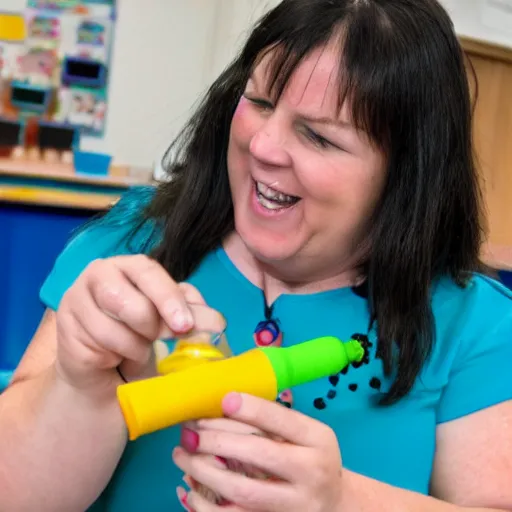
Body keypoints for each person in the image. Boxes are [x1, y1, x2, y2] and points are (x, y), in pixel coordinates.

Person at [1, 0, 511, 510]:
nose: (263, 145)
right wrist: (80, 384)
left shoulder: (474, 322)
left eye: (318, 136)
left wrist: (341, 499)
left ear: (405, 176)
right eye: (261, 103)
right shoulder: (130, 245)